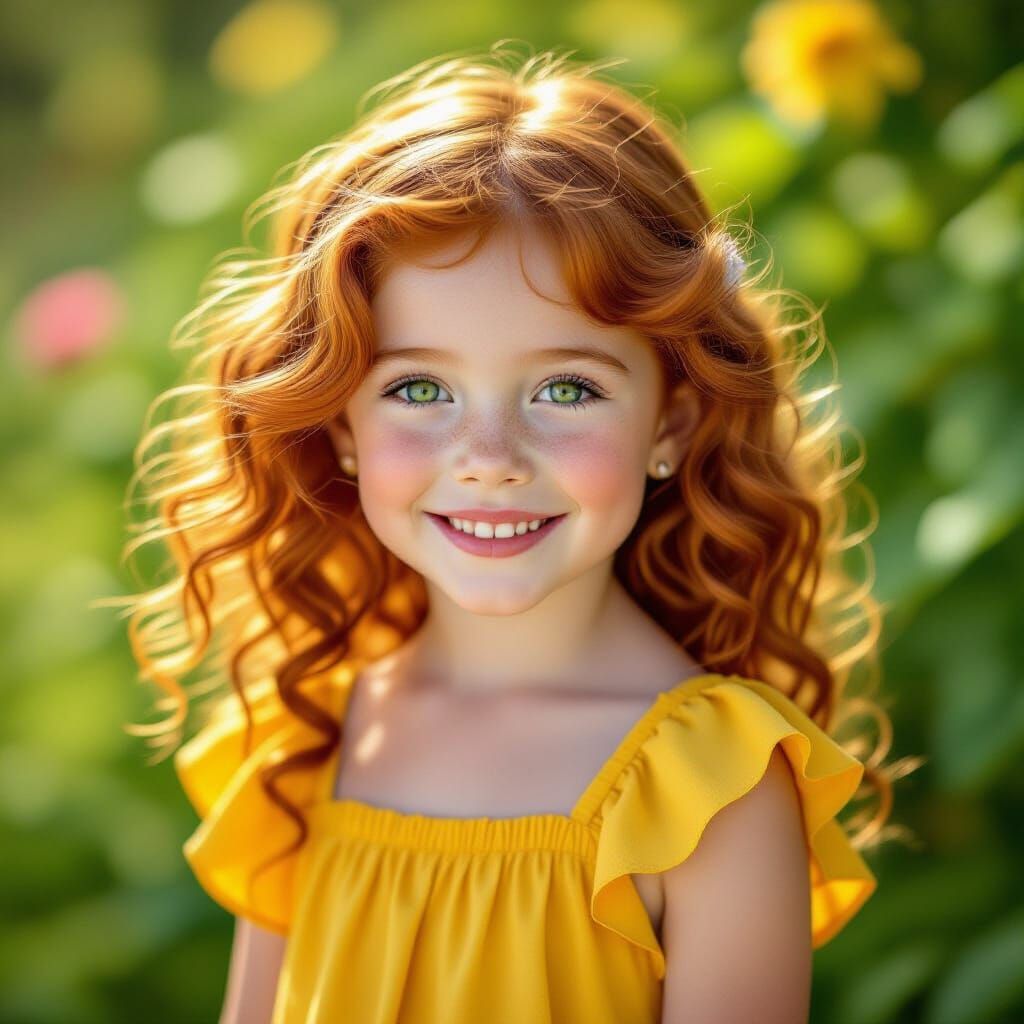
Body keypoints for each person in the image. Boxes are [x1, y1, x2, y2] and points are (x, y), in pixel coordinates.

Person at [122, 43, 893, 1024]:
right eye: (419, 389)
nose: (489, 457)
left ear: (672, 421)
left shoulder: (713, 791)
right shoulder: (311, 735)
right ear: (340, 426)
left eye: (565, 389)